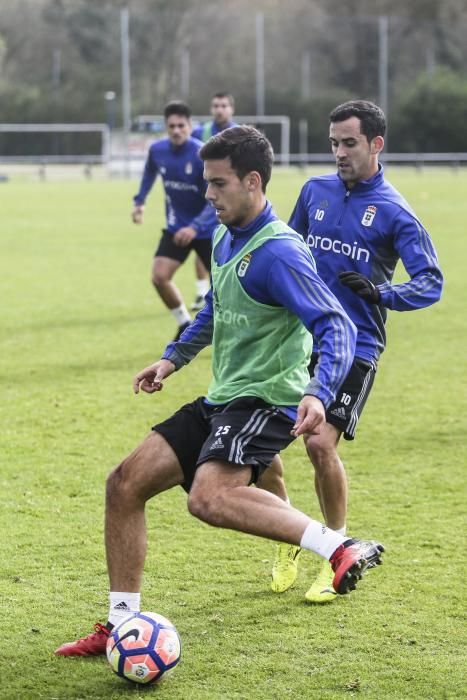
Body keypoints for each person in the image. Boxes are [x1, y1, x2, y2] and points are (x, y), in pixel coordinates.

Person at [55, 126, 384, 657]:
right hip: (223, 397)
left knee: (209, 497)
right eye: (207, 183)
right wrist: (171, 358)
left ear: (252, 182)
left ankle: (339, 546)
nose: (207, 194)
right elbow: (214, 308)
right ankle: (120, 625)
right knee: (123, 484)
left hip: (266, 399)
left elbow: (336, 325)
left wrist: (320, 392)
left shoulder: (279, 252)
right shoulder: (228, 234)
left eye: (218, 183)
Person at [262, 100, 443, 603]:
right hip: (298, 338)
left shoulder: (394, 211)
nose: (339, 152)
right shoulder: (314, 190)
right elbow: (288, 249)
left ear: (376, 144)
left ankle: (336, 551)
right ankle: (289, 538)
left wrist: (381, 293)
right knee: (264, 444)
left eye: (349, 143)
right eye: (334, 143)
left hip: (355, 345)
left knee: (319, 444)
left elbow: (431, 282)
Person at [132, 100, 217, 340]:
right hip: (176, 227)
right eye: (172, 126)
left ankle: (228, 331)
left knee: (225, 288)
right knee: (159, 276)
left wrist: (196, 226)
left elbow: (216, 198)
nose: (177, 130)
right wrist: (139, 201)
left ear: (190, 126)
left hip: (208, 230)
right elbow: (149, 172)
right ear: (166, 127)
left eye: (181, 125)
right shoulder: (157, 150)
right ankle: (184, 323)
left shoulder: (202, 154)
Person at [190, 92, 237, 311]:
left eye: (223, 105)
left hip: (230, 200)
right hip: (204, 199)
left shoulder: (238, 134)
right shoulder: (201, 132)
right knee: (203, 246)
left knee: (225, 250)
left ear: (231, 109)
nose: (219, 109)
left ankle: (225, 293)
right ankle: (203, 293)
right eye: (215, 105)